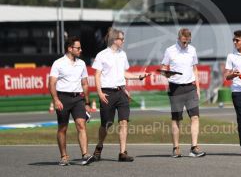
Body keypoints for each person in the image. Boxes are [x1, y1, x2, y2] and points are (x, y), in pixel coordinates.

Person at [91, 28, 150, 162]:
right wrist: (100, 93)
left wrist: (138, 76)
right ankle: (99, 146)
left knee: (124, 121)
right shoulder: (102, 55)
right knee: (107, 123)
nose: (123, 41)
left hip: (121, 92)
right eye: (121, 39)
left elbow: (124, 73)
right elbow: (97, 75)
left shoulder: (123, 54)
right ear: (114, 40)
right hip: (107, 92)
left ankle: (122, 152)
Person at [49, 36, 94, 166]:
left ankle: (85, 154)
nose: (80, 50)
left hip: (78, 99)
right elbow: (51, 83)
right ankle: (64, 156)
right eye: (78, 48)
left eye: (80, 48)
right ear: (70, 48)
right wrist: (56, 99)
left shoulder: (82, 63)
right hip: (63, 98)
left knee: (81, 124)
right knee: (63, 128)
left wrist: (87, 103)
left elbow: (85, 83)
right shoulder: (58, 63)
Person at [160, 28, 206, 158]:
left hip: (190, 87)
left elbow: (194, 68)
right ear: (179, 38)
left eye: (188, 42)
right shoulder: (170, 51)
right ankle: (176, 148)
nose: (185, 44)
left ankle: (194, 147)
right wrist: (166, 73)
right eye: (184, 41)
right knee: (176, 119)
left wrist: (197, 87)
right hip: (176, 88)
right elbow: (163, 68)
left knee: (195, 117)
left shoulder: (192, 50)